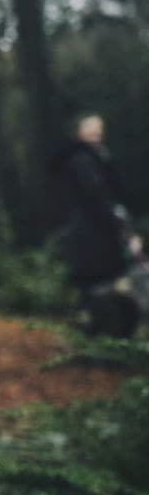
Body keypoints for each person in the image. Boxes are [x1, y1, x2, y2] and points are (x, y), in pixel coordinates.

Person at [52, 114, 144, 337]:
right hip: (92, 238)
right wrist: (120, 224)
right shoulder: (82, 160)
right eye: (91, 128)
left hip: (92, 237)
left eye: (100, 128)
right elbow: (97, 197)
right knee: (99, 288)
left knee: (97, 288)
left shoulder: (91, 158)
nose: (97, 132)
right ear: (79, 132)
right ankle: (101, 341)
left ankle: (98, 338)